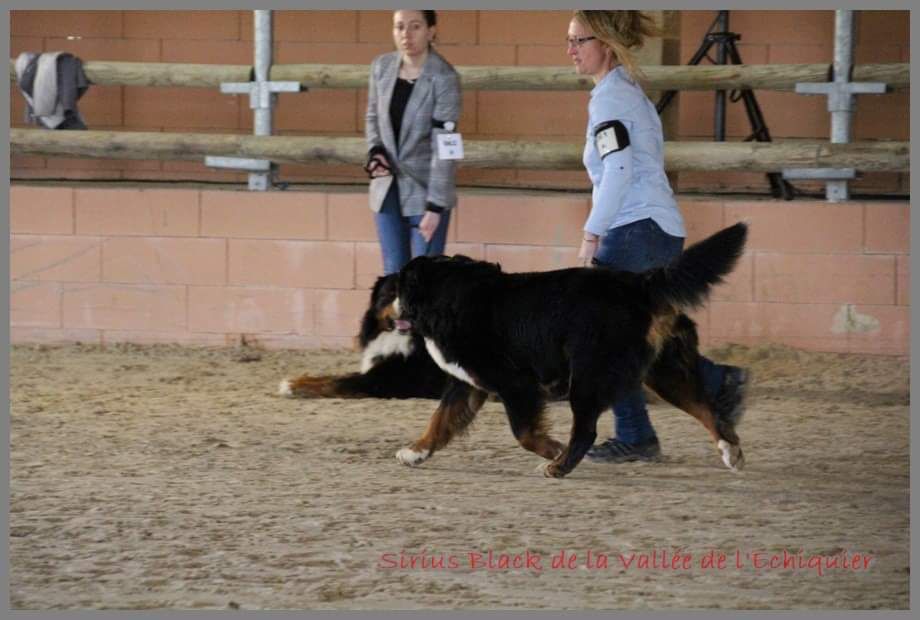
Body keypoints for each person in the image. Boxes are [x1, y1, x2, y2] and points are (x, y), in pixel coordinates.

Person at [567, 10, 749, 463]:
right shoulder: (628, 94)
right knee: (641, 339)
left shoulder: (609, 101)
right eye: (568, 41)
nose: (570, 50)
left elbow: (620, 169)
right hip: (659, 230)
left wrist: (592, 233)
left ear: (604, 43)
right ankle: (713, 384)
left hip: (634, 231)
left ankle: (639, 433)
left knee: (612, 340)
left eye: (578, 41)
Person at [365, 9, 462, 275]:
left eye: (415, 26)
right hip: (387, 188)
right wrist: (375, 152)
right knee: (393, 274)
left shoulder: (445, 78)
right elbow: (373, 116)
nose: (406, 35)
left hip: (427, 190)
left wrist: (435, 206)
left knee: (424, 280)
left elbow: (446, 146)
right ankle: (395, 320)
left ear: (431, 31)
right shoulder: (381, 67)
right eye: (399, 27)